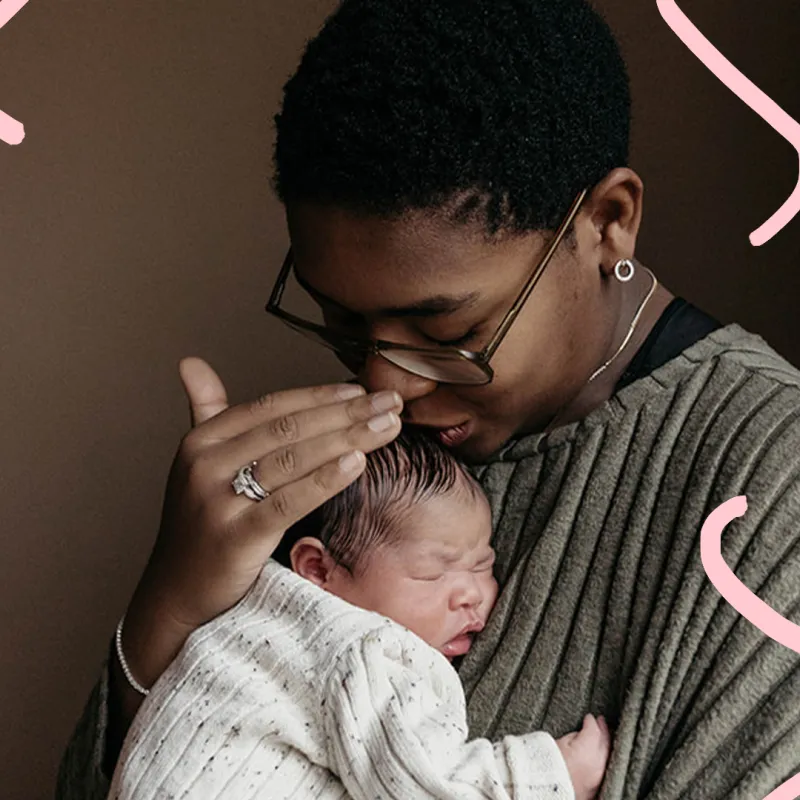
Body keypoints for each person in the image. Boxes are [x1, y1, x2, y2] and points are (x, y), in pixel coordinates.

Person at [58, 1, 800, 798]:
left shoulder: (772, 488)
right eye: (342, 321)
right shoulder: (340, 481)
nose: (386, 386)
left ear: (607, 223)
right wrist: (170, 615)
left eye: (448, 330)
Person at [107, 431, 611, 799]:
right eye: (432, 574)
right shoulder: (360, 646)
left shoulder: (250, 625)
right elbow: (418, 781)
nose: (472, 594)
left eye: (484, 564)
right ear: (318, 570)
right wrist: (547, 776)